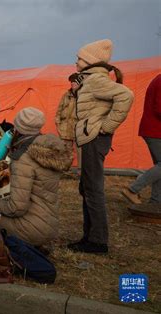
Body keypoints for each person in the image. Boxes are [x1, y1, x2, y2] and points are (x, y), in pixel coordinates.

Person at [68, 39, 134, 254]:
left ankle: (97, 242)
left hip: (95, 139)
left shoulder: (96, 80)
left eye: (79, 58)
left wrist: (106, 126)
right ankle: (89, 236)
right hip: (91, 139)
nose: (76, 61)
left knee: (93, 189)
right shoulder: (90, 80)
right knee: (86, 187)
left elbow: (126, 95)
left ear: (89, 61)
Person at [0, 107, 72, 247]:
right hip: (49, 224)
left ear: (17, 127)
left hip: (30, 228)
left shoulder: (23, 159)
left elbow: (17, 207)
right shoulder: (47, 150)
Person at [122, 74, 161, 206]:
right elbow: (159, 108)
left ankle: (156, 203)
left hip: (154, 130)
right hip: (156, 130)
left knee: (159, 167)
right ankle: (133, 189)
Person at [55, 73, 82, 170]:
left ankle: (81, 171)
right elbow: (59, 110)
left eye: (75, 82)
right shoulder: (66, 95)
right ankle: (65, 169)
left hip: (78, 128)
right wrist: (58, 123)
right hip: (65, 128)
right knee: (66, 150)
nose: (72, 84)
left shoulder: (84, 96)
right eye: (71, 82)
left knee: (81, 151)